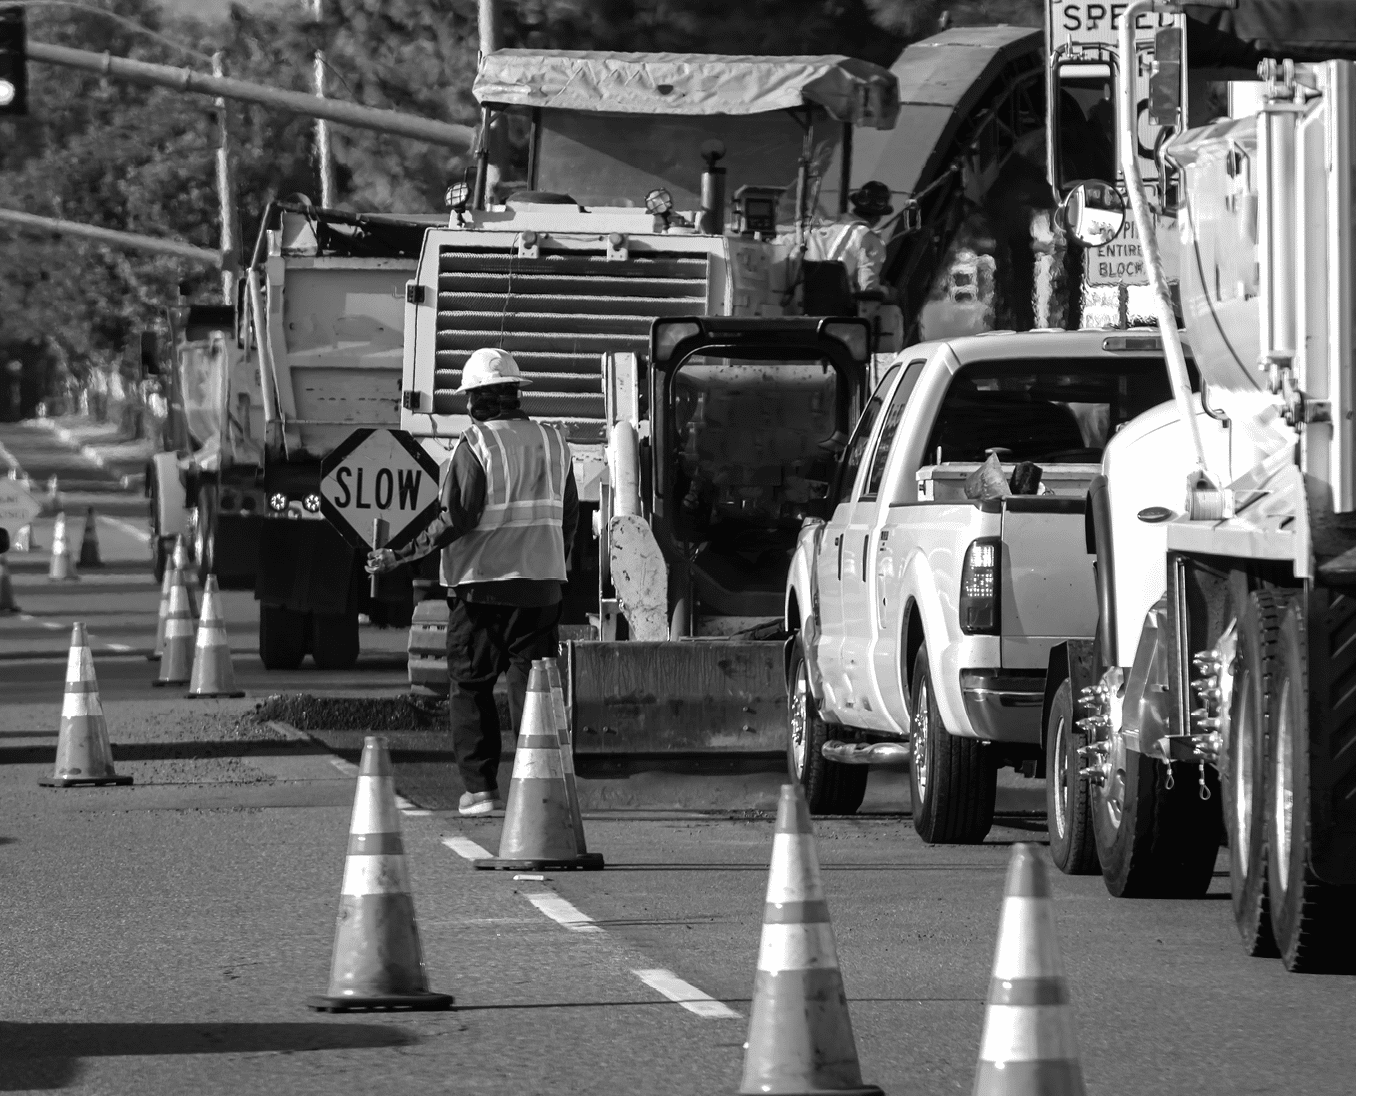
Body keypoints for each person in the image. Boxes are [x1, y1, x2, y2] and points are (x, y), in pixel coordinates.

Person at [367, 348, 578, 816]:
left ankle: (481, 791)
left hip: (482, 589)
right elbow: (570, 519)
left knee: (471, 686)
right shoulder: (554, 442)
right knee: (535, 691)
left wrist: (400, 554)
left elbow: (455, 518)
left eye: (469, 397)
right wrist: (555, 571)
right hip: (541, 588)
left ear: (481, 399)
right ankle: (539, 791)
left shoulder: (477, 444)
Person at [805, 180, 893, 294]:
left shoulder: (821, 228)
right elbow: (868, 288)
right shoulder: (870, 240)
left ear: (855, 208)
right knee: (891, 311)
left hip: (801, 297)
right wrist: (886, 292)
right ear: (878, 217)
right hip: (834, 304)